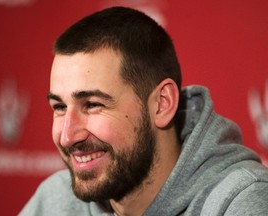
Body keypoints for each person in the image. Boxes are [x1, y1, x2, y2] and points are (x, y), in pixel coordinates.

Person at [20, 6, 268, 216]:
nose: (67, 136)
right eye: (60, 107)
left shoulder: (241, 201)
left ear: (162, 104)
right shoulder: (55, 200)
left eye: (93, 104)